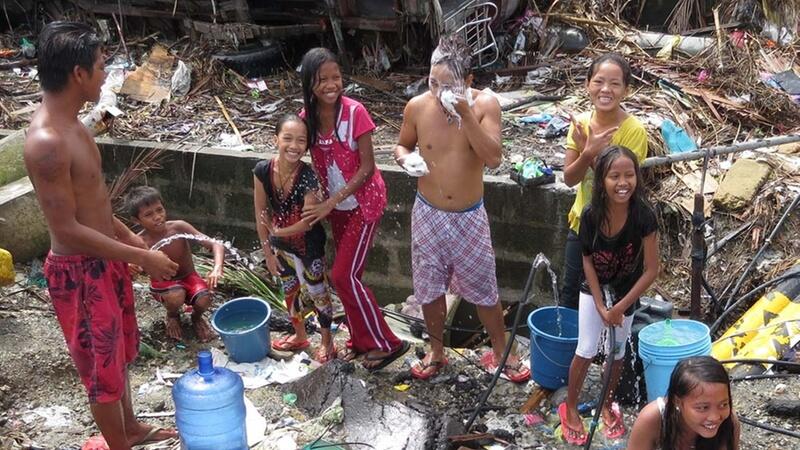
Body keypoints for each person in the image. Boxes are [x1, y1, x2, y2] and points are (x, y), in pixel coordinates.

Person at [24, 21, 178, 449]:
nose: (106, 73)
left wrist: (131, 241)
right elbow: (66, 230)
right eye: (100, 65)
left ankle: (130, 428)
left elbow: (95, 205)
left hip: (104, 259)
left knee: (119, 356)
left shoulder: (75, 124)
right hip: (79, 272)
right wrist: (143, 259)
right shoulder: (47, 141)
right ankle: (119, 443)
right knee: (101, 371)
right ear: (77, 74)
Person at [393, 35, 530, 383]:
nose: (439, 93)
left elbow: (493, 157)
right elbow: (401, 145)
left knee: (484, 288)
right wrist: (407, 159)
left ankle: (503, 351)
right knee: (428, 288)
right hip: (427, 213)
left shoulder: (485, 105)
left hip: (469, 217)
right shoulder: (418, 107)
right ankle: (437, 352)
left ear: (469, 82)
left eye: (448, 86)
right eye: (433, 83)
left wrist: (465, 111)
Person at [299, 47, 409, 370]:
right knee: (350, 277)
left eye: (336, 77)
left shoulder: (355, 113)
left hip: (363, 203)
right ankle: (361, 340)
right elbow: (308, 164)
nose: (332, 85)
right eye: (323, 80)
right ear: (310, 84)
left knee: (341, 275)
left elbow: (367, 168)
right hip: (337, 208)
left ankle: (388, 343)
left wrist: (331, 200)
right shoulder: (307, 119)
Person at [559, 145, 660, 445]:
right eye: (614, 176)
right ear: (601, 180)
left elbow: (652, 269)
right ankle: (572, 407)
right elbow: (587, 259)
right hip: (592, 288)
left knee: (617, 352)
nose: (623, 183)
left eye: (629, 175)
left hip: (627, 290)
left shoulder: (644, 216)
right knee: (587, 348)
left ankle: (605, 403)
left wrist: (620, 308)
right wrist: (602, 306)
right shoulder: (591, 215)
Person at [560, 53, 649, 311]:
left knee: (618, 300)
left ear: (626, 90)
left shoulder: (634, 131)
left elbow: (620, 188)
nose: (606, 90)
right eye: (599, 81)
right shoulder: (581, 124)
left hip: (621, 230)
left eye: (615, 83)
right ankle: (574, 351)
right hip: (582, 225)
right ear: (588, 84)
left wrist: (588, 153)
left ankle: (614, 352)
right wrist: (587, 151)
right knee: (571, 298)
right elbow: (569, 178)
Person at [253, 114, 336, 363]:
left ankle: (326, 342)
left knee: (317, 291)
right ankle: (300, 335)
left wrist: (278, 232)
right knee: (289, 290)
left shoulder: (308, 177)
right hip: (281, 245)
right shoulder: (262, 170)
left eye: (301, 140)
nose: (294, 145)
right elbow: (260, 212)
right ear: (275, 139)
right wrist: (267, 252)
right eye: (287, 138)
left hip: (308, 245)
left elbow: (309, 221)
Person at [124, 186, 224, 342]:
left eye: (159, 210)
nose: (157, 217)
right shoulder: (139, 241)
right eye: (149, 214)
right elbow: (131, 265)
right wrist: (132, 267)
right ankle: (172, 315)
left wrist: (217, 268)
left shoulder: (178, 228)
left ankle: (196, 318)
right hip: (163, 285)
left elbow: (215, 244)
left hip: (189, 277)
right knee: (176, 295)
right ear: (136, 220)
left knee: (205, 298)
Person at [627, 356, 740, 450]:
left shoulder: (730, 422)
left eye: (723, 404)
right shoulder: (652, 419)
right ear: (677, 402)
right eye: (703, 407)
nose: (715, 417)